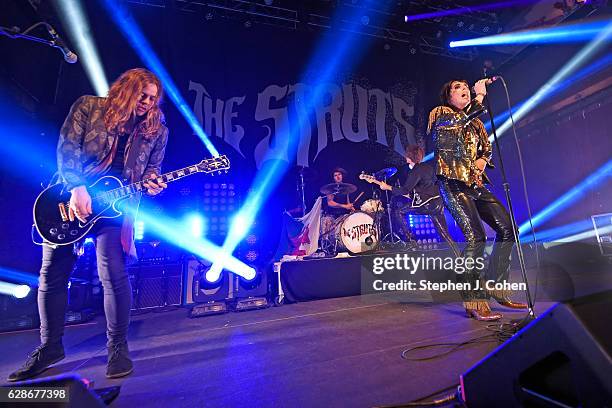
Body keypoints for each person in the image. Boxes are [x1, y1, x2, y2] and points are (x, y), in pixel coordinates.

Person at [8, 68, 169, 382]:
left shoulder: (156, 129)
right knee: (53, 273)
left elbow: (152, 169)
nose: (147, 103)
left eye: (152, 99)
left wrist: (152, 183)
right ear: (126, 89)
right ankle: (49, 347)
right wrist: (77, 187)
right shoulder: (89, 107)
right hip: (70, 200)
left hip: (114, 207)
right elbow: (67, 150)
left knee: (114, 272)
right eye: (142, 95)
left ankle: (117, 348)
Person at [429, 78, 527, 321]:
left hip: (474, 183)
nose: (464, 89)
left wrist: (483, 160)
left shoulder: (476, 123)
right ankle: (473, 299)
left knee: (508, 229)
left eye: (465, 86)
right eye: (457, 88)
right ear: (448, 97)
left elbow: (486, 148)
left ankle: (495, 284)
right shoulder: (441, 113)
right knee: (476, 238)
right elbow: (454, 126)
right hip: (452, 183)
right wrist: (479, 98)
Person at [376, 145, 460, 257]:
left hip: (427, 204)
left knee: (398, 212)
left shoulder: (415, 171)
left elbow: (405, 189)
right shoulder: (428, 167)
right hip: (437, 203)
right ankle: (459, 257)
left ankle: (412, 241)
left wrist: (388, 187)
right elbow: (425, 186)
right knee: (444, 233)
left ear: (408, 157)